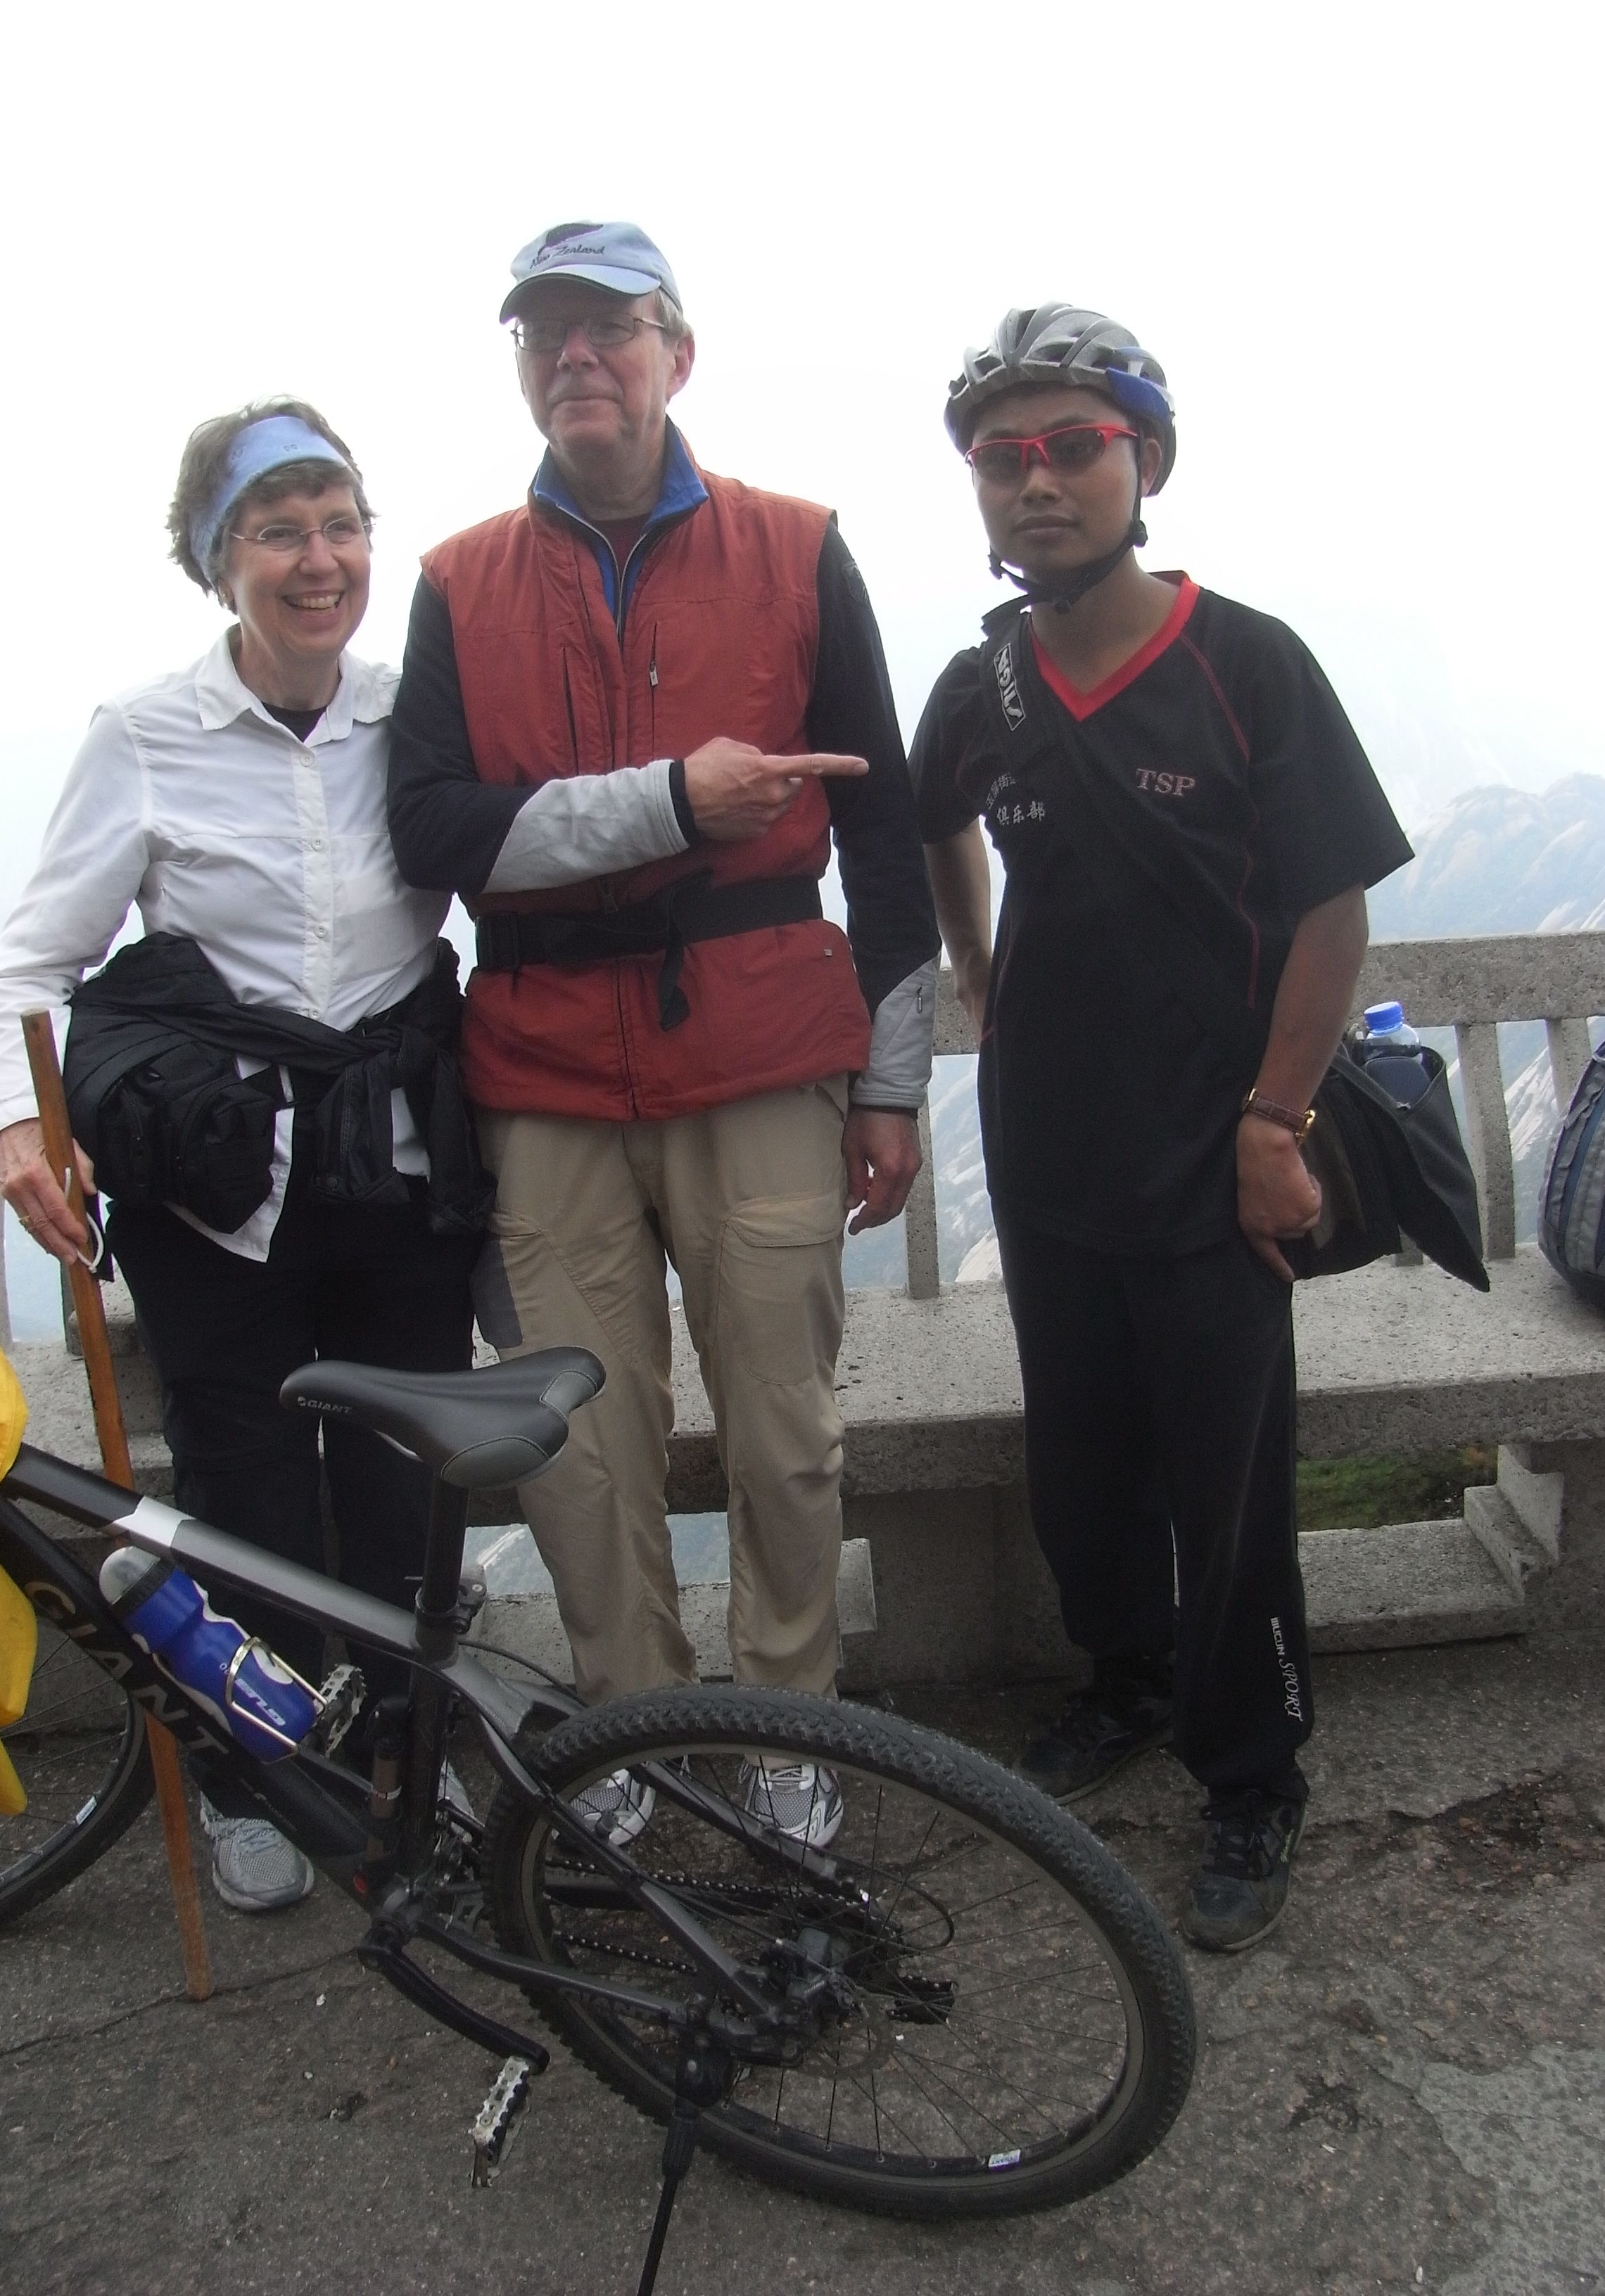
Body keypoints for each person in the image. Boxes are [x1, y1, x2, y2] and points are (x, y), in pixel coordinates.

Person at [387, 221, 939, 1848]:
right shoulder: (460, 582)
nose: (577, 358)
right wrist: (671, 805)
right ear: (521, 369)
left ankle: (785, 1726)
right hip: (547, 1073)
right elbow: (431, 829)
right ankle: (622, 1733)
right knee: (573, 1446)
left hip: (762, 1053)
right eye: (544, 334)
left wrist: (892, 1081)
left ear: (674, 356)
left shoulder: (796, 548)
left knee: (786, 1432)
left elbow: (885, 835)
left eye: (609, 329)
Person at [911, 305, 1412, 1950]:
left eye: (1078, 447)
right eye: (1006, 456)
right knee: (1083, 1456)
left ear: (1148, 463)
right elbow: (935, 828)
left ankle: (1254, 1771)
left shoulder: (1244, 663)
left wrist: (1276, 1121)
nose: (1039, 481)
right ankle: (1124, 1677)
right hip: (1049, 1140)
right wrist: (978, 972)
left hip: (1214, 1153)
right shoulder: (979, 686)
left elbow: (1331, 911)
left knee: (1228, 1478)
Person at [0, 402, 485, 1913]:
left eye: (341, 526)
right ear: (216, 563)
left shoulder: (414, 715)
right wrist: (18, 1125)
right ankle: (265, 1771)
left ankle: (402, 1749)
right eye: (278, 532)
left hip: (396, 1159)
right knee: (243, 1479)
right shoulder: (145, 736)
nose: (318, 561)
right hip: (216, 1183)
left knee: (402, 1480)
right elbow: (27, 970)